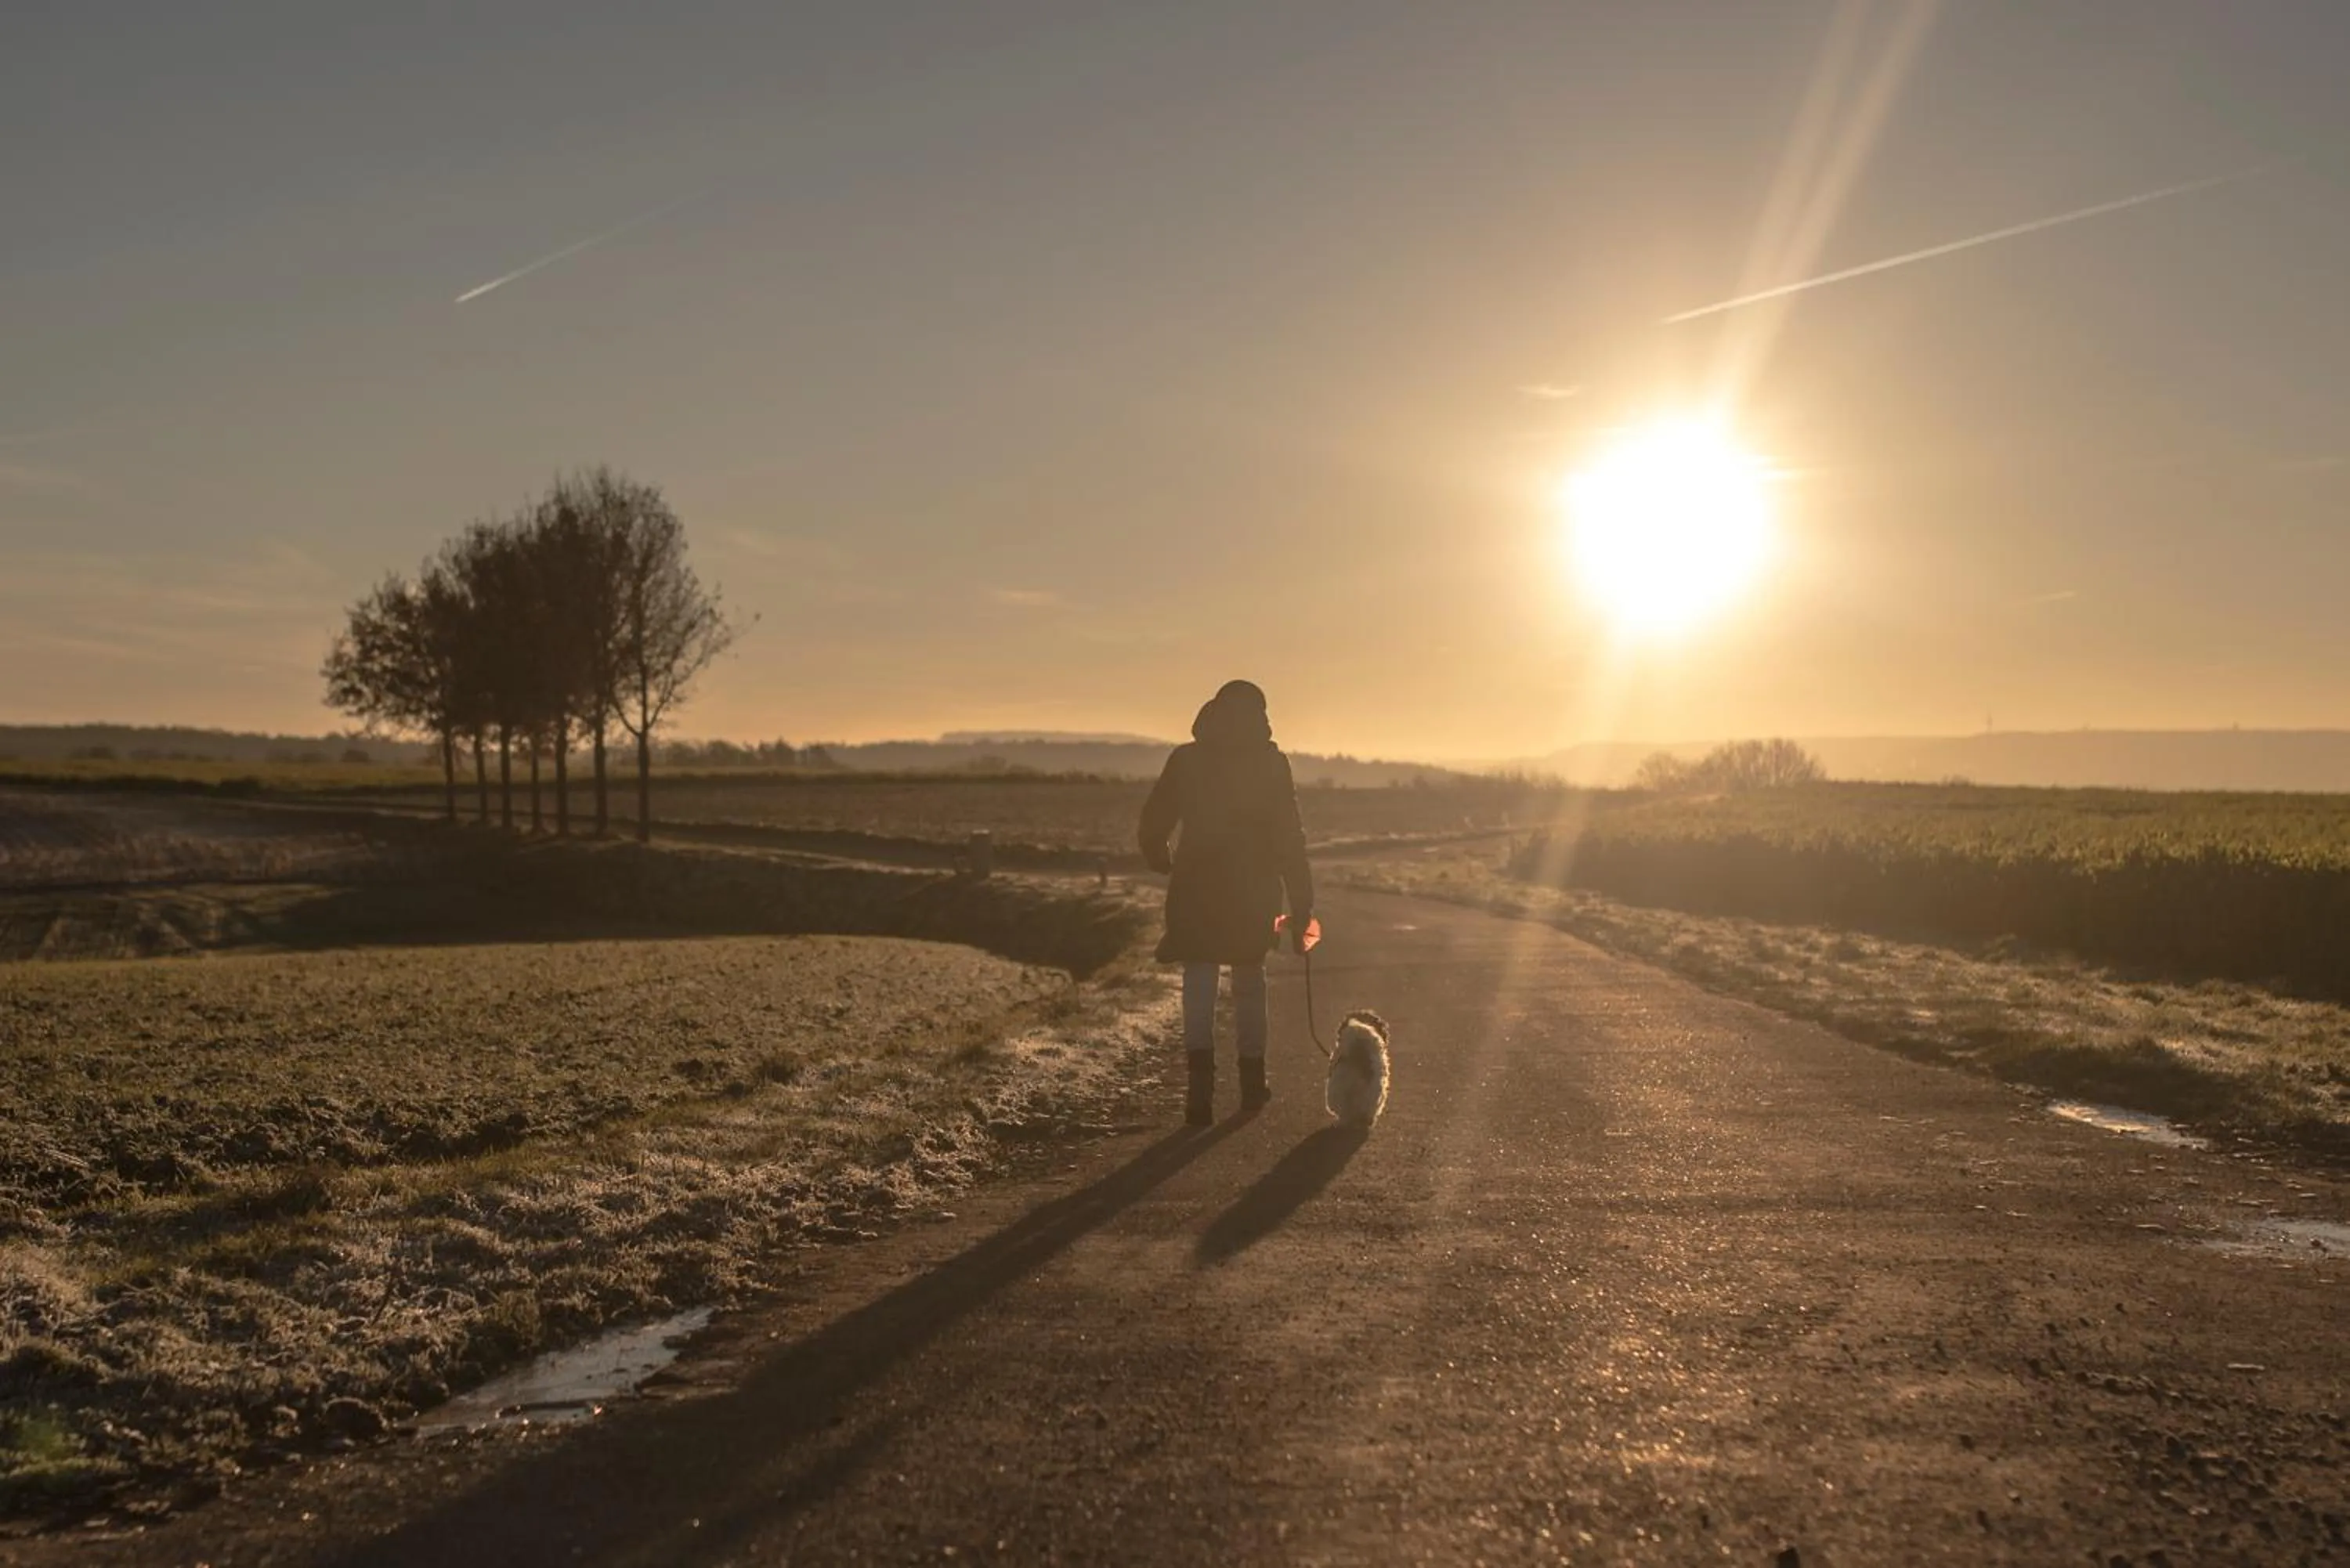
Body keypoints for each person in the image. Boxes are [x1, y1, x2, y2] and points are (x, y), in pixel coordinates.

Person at [1137, 679, 1314, 1125]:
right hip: (1253, 888)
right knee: (1250, 978)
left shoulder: (1187, 759)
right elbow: (1290, 836)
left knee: (1199, 975)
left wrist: (1161, 857)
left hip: (1195, 882)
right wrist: (1302, 902)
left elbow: (1155, 817)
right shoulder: (1272, 764)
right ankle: (1252, 1085)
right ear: (1261, 715)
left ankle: (1199, 1093)